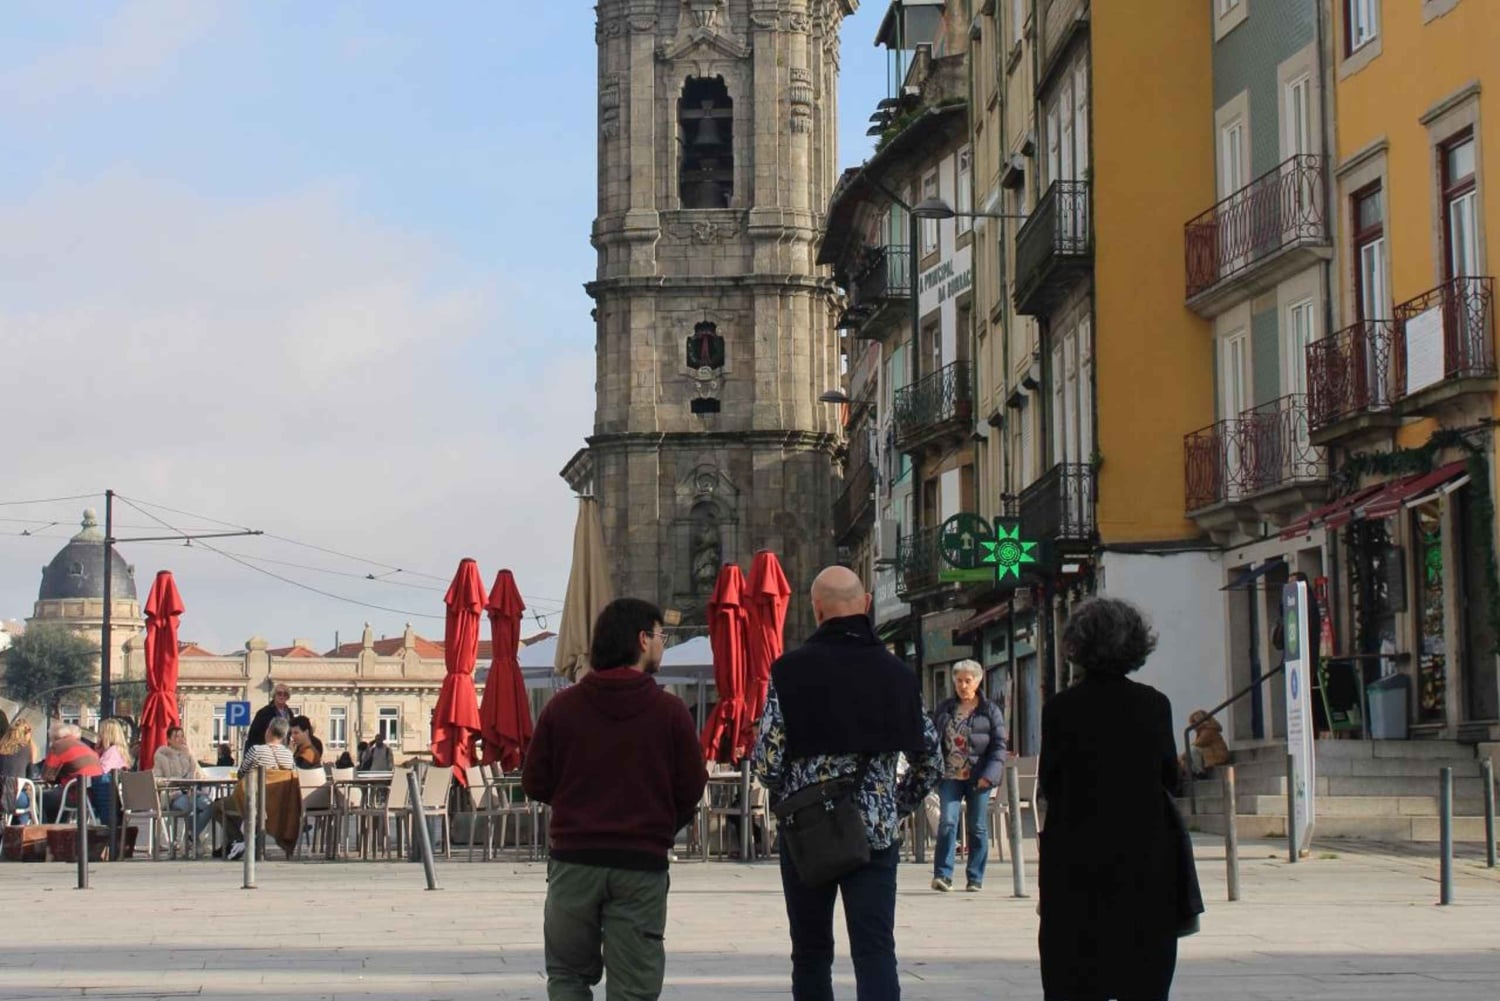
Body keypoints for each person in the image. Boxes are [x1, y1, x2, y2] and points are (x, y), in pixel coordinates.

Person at [752, 566, 942, 1001]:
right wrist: (895, 804)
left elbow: (767, 761)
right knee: (875, 952)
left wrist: (793, 792)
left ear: (816, 610)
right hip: (873, 835)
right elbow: (930, 759)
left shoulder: (789, 672)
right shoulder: (897, 675)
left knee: (811, 953)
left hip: (808, 831)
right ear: (867, 604)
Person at [522, 597, 708, 1001]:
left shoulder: (562, 708)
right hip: (640, 865)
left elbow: (534, 781)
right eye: (660, 635)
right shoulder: (670, 712)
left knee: (568, 976)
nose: (662, 644)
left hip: (574, 861)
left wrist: (577, 808)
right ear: (642, 640)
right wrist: (658, 826)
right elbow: (693, 786)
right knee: (634, 989)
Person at [1038, 596, 1186, 1001]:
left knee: (1073, 981)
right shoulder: (1154, 705)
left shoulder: (1060, 710)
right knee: (1144, 984)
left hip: (1075, 865)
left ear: (1077, 646)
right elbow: (1169, 777)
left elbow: (1050, 784)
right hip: (1145, 865)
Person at [930, 659, 1007, 893]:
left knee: (977, 827)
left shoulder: (990, 710)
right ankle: (943, 875)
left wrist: (990, 775)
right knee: (947, 822)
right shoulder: (945, 709)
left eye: (967, 680)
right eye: (959, 681)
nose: (963, 685)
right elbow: (932, 740)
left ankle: (975, 877)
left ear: (978, 681)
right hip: (950, 776)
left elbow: (999, 746)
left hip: (978, 776)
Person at [214, 716, 295, 860]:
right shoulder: (288, 755)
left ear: (268, 731)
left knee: (217, 806)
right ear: (284, 736)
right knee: (240, 807)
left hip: (255, 803)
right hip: (278, 806)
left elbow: (241, 773)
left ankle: (238, 840)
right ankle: (239, 844)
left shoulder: (256, 750)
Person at [153, 726, 213, 850]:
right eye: (176, 736)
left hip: (193, 792)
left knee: (209, 805)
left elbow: (200, 775)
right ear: (169, 739)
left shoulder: (188, 754)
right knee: (189, 806)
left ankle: (190, 835)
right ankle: (192, 840)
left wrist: (192, 758)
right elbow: (156, 778)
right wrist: (172, 783)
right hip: (173, 795)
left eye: (182, 736)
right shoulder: (161, 755)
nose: (180, 739)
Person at [40, 723, 104, 822]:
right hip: (94, 795)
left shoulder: (59, 745)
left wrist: (58, 777)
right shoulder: (85, 746)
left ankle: (43, 833)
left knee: (39, 798)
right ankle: (59, 829)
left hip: (75, 795)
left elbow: (47, 776)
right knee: (58, 796)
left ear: (55, 737)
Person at [0, 718, 37, 824]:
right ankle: (22, 833)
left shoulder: (1, 748)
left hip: (0, 795)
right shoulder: (29, 749)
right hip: (15, 796)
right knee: (32, 802)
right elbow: (29, 777)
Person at [1180, 710, 1230, 779]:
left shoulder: (1209, 730)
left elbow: (1199, 743)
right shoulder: (1202, 731)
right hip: (1211, 753)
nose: (1193, 725)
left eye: (1195, 722)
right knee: (1189, 755)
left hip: (1218, 755)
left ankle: (1200, 772)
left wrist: (1182, 756)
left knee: (1193, 750)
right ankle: (1194, 773)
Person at [244, 683, 293, 751]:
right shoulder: (264, 712)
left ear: (288, 697)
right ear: (274, 695)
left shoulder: (289, 713)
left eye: (285, 694)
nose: (282, 696)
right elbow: (253, 735)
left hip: (283, 749)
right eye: (279, 693)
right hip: (266, 749)